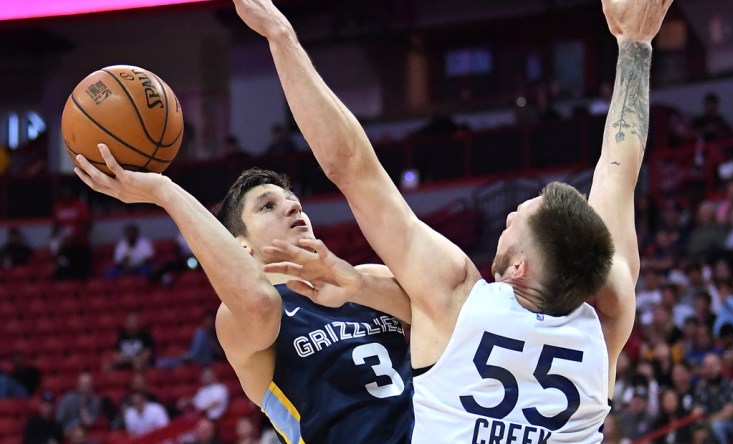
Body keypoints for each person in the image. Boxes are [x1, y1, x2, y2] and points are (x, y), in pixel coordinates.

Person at [240, 0, 672, 442]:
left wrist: (281, 36)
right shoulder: (607, 315)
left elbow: (349, 165)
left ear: (519, 268)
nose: (507, 214)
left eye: (515, 221)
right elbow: (619, 170)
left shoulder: (456, 301)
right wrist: (635, 44)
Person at [73, 161, 412, 440]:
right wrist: (165, 191)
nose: (293, 205)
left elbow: (449, 310)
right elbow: (261, 304)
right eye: (268, 206)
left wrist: (355, 285)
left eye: (293, 200)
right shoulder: (236, 319)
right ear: (241, 245)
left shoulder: (370, 276)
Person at [692, 353, 733, 444]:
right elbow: (697, 412)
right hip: (708, 425)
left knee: (717, 426)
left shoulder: (730, 384)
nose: (710, 368)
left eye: (713, 365)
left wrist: (708, 422)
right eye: (707, 366)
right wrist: (700, 427)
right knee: (697, 431)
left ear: (720, 366)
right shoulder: (700, 388)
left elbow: (730, 412)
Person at [51, 184, 92, 280]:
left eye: (68, 191)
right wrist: (55, 242)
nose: (66, 194)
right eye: (64, 192)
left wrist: (76, 237)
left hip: (81, 245)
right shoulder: (57, 207)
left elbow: (88, 224)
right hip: (65, 247)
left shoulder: (80, 206)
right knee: (63, 272)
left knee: (81, 274)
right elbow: (55, 227)